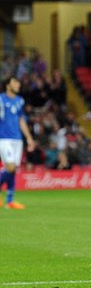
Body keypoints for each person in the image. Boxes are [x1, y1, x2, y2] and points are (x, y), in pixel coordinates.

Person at [0, 76, 36, 209]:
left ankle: (10, 202)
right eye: (15, 82)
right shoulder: (1, 99)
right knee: (10, 168)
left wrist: (29, 138)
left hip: (17, 139)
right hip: (4, 138)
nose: (18, 84)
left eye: (18, 82)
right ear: (8, 85)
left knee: (13, 170)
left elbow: (21, 120)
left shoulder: (20, 101)